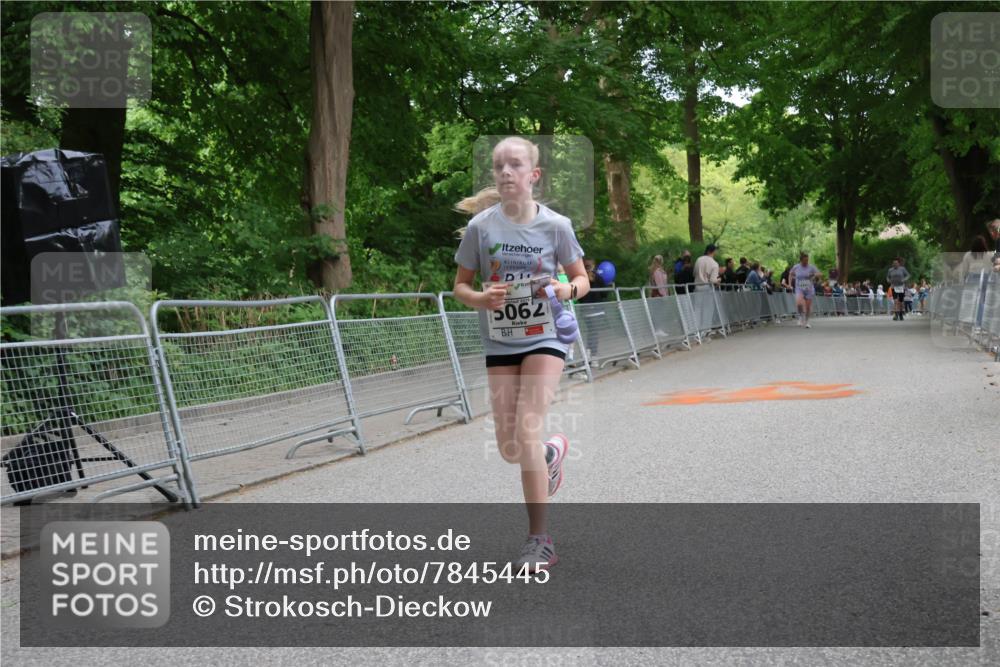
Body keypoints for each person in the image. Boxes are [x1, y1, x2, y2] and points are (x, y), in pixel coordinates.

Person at [453, 136, 589, 571]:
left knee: (526, 431)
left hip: (546, 335)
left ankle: (539, 539)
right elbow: (460, 286)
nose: (506, 173)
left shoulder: (556, 226)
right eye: (499, 167)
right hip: (500, 338)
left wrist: (567, 289)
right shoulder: (482, 229)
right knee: (511, 447)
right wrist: (481, 298)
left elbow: (582, 279)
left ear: (534, 175)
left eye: (515, 165)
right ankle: (549, 456)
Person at [788, 251, 820, 327]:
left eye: (807, 260)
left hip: (809, 288)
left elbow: (819, 274)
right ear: (801, 260)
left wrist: (813, 274)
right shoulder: (796, 267)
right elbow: (790, 274)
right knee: (799, 303)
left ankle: (807, 321)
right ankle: (800, 316)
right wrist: (789, 284)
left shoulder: (811, 267)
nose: (806, 262)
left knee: (808, 306)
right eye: (805, 260)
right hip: (799, 287)